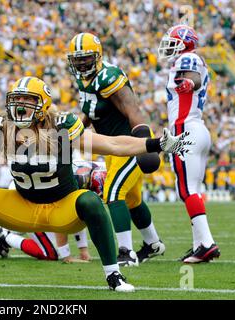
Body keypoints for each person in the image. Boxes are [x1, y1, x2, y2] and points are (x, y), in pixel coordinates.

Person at [0, 76, 192, 292]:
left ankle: (114, 275)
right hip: (23, 206)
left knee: (90, 200)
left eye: (27, 102)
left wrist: (155, 143)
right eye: (17, 101)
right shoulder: (5, 128)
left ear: (43, 105)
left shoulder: (63, 128)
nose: (20, 108)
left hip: (62, 208)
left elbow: (112, 144)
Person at [67, 33, 165, 266]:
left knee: (112, 193)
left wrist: (143, 142)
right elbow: (90, 112)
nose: (81, 63)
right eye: (77, 59)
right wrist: (73, 132)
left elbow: (132, 109)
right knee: (132, 199)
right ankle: (153, 244)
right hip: (111, 146)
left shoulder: (109, 76)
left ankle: (126, 252)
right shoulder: (84, 80)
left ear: (98, 56)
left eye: (86, 58)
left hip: (129, 142)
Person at [158, 24, 220, 263]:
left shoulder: (189, 58)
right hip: (196, 129)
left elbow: (192, 77)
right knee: (192, 188)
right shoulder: (191, 59)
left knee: (187, 189)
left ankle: (206, 244)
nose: (169, 46)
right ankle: (199, 246)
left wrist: (189, 83)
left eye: (173, 41)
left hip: (185, 130)